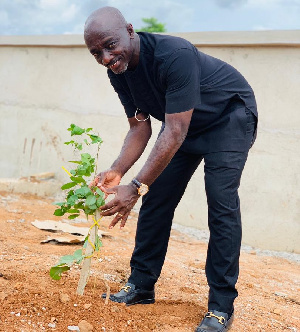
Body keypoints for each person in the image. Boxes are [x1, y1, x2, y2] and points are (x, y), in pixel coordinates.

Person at [84, 6, 257, 332]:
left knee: (220, 203)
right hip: (185, 126)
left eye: (110, 45)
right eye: (97, 53)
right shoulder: (118, 72)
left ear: (130, 31)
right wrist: (119, 171)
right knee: (156, 197)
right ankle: (141, 285)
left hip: (230, 117)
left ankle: (220, 308)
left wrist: (134, 187)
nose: (106, 57)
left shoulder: (173, 54)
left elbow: (173, 131)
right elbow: (140, 128)